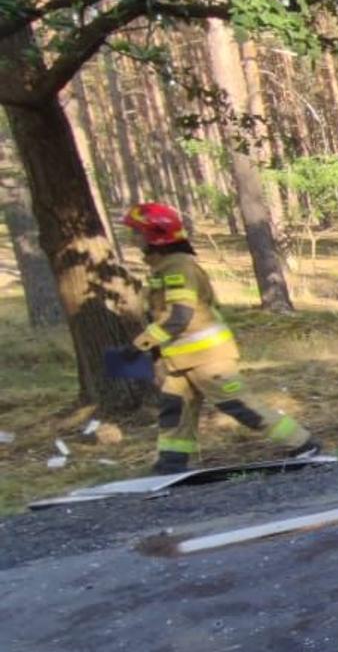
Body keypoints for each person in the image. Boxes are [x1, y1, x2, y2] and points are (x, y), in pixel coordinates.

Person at [119, 203, 322, 473]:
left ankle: (303, 444)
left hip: (207, 358)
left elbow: (180, 315)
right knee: (174, 411)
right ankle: (172, 464)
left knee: (239, 405)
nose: (133, 239)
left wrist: (141, 344)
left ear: (156, 236)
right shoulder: (163, 268)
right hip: (181, 360)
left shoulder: (179, 269)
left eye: (137, 233)